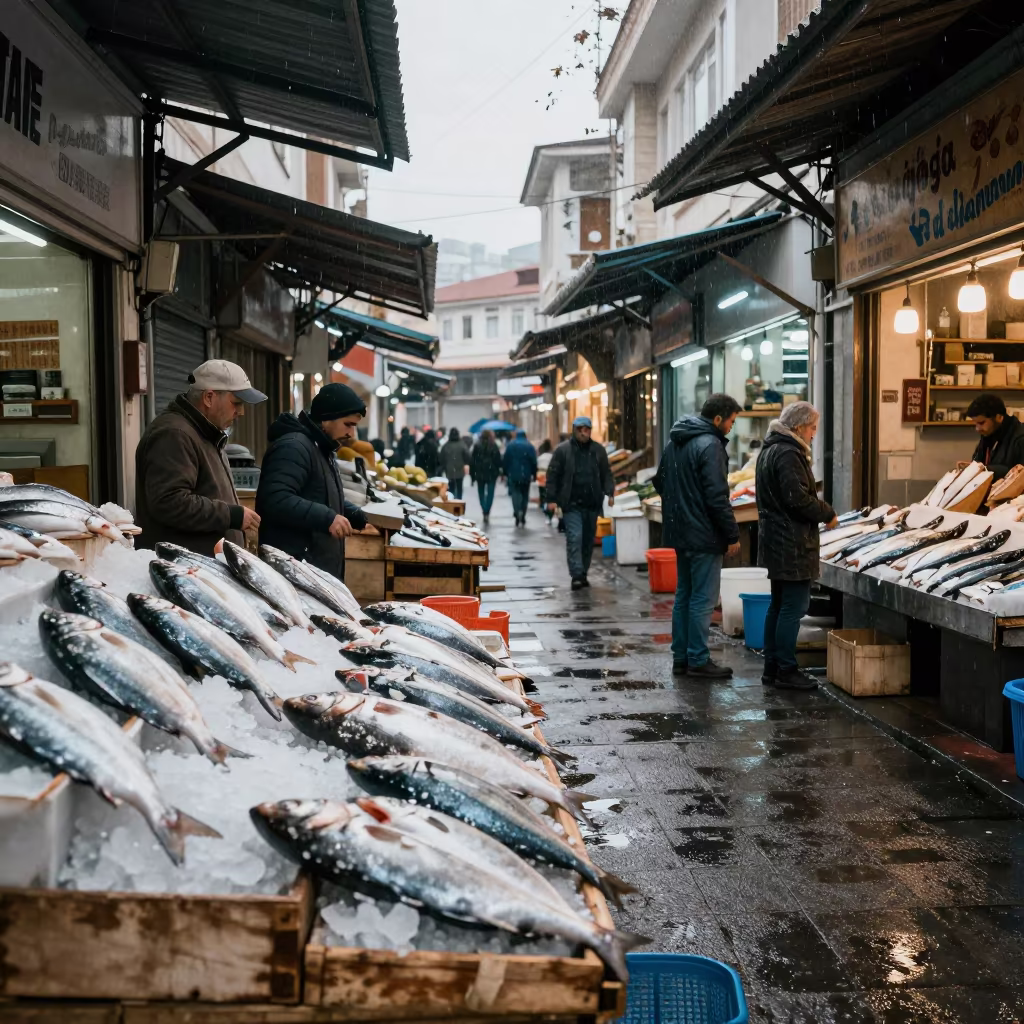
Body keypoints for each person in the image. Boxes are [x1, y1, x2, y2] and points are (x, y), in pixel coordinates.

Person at [135, 359, 266, 555]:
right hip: (185, 569)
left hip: (205, 566)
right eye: (236, 403)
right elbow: (169, 502)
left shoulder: (206, 432)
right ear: (209, 397)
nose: (241, 412)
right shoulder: (174, 434)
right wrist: (231, 515)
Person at [653, 394, 741, 679]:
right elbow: (717, 497)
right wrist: (732, 534)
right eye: (731, 421)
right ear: (717, 419)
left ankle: (682, 658)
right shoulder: (711, 445)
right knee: (702, 599)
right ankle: (698, 660)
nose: (731, 427)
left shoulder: (674, 442)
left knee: (685, 596)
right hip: (704, 535)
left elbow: (661, 482)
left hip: (680, 533)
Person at [756, 401, 838, 690]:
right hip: (790, 543)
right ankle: (786, 670)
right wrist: (827, 513)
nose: (814, 433)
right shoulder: (788, 453)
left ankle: (772, 668)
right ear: (800, 426)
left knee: (778, 606)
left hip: (777, 541)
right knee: (792, 607)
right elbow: (797, 499)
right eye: (813, 427)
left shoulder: (770, 448)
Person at [256, 382, 369, 580]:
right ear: (326, 419)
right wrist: (327, 518)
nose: (351, 434)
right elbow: (276, 498)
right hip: (294, 573)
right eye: (348, 424)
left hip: (314, 571)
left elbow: (318, 494)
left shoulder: (322, 448)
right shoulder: (293, 447)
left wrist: (351, 512)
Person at [546, 417, 614, 589]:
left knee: (587, 540)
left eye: (587, 429)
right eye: (580, 429)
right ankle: (576, 574)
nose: (584, 432)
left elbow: (606, 473)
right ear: (574, 430)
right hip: (571, 504)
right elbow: (553, 475)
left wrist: (610, 492)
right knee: (575, 537)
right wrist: (551, 499)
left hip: (592, 503)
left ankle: (583, 571)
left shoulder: (598, 450)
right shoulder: (563, 451)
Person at [967, 393, 1024, 479]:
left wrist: (986, 470)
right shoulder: (988, 435)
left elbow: (1019, 474)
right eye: (975, 424)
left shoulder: (1020, 438)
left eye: (981, 423)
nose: (977, 429)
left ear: (999, 417)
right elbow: (978, 461)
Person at [502, 428, 538, 527]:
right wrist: (534, 474)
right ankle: (523, 512)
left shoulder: (511, 445)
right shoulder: (529, 446)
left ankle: (517, 511)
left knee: (515, 494)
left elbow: (506, 460)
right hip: (526, 475)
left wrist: (505, 473)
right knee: (525, 494)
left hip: (513, 474)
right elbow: (534, 461)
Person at [470, 429, 502, 522]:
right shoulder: (494, 445)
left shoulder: (477, 445)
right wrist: (499, 470)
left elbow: (473, 461)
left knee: (481, 492)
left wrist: (472, 475)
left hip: (480, 473)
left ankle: (484, 508)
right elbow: (498, 459)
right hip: (491, 472)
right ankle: (487, 509)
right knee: (490, 493)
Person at [440, 427, 469, 499]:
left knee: (451, 487)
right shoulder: (462, 444)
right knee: (459, 487)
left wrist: (444, 467)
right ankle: (459, 500)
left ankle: (452, 500)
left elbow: (441, 458)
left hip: (449, 470)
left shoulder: (446, 446)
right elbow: (467, 456)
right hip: (460, 469)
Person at [536, 439, 554, 521]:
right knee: (549, 494)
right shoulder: (552, 457)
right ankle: (548, 510)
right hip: (549, 477)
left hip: (541, 476)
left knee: (542, 493)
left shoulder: (540, 458)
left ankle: (543, 505)